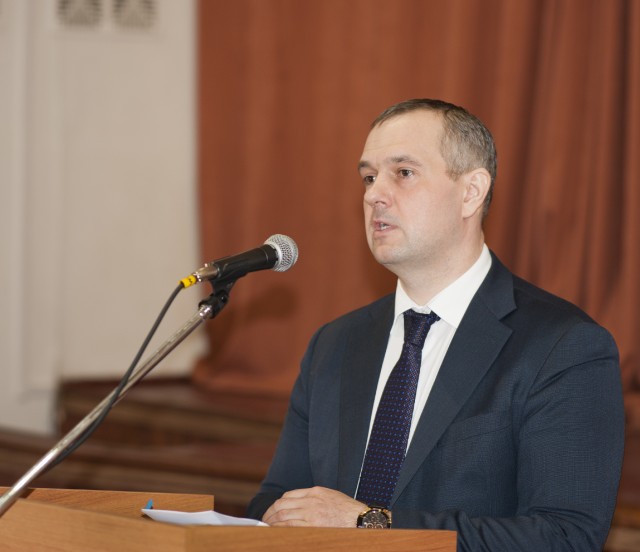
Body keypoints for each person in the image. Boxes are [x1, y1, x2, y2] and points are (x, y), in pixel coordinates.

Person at [246, 99, 625, 551]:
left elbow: (565, 536)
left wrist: (370, 525)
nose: (374, 195)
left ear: (471, 192)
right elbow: (274, 501)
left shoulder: (562, 347)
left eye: (403, 173)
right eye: (369, 177)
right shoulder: (335, 344)